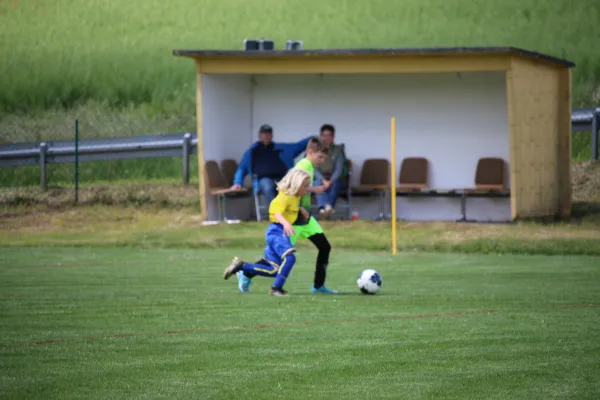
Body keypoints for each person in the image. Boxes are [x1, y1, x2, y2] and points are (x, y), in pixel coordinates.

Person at [222, 168, 312, 296]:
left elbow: (291, 208)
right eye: (305, 185)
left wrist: (300, 209)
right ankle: (276, 288)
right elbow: (277, 212)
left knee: (274, 270)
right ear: (296, 184)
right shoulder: (285, 196)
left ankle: (243, 268)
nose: (307, 188)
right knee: (290, 258)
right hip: (277, 231)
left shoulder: (294, 197)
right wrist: (285, 223)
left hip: (280, 232)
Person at [291, 137, 338, 294]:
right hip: (294, 219)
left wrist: (313, 189)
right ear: (309, 152)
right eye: (320, 157)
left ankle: (318, 287)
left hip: (305, 219)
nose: (322, 161)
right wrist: (298, 208)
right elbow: (290, 188)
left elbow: (302, 186)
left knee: (325, 247)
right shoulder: (303, 165)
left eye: (324, 158)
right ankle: (245, 271)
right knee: (277, 259)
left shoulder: (309, 165)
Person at [230, 124, 311, 207]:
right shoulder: (252, 152)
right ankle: (275, 214)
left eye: (269, 134)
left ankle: (292, 213)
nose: (266, 136)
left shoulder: (281, 148)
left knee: (294, 185)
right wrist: (237, 183)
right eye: (264, 134)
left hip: (282, 178)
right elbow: (241, 168)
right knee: (268, 187)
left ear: (272, 135)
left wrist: (314, 138)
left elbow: (299, 145)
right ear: (259, 136)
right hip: (264, 179)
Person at [313, 124, 348, 219]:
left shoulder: (338, 150)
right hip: (320, 179)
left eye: (328, 135)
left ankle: (323, 210)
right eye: (323, 135)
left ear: (333, 137)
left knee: (334, 185)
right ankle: (327, 208)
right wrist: (323, 180)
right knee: (316, 183)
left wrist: (330, 181)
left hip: (334, 179)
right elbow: (313, 168)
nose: (326, 138)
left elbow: (339, 169)